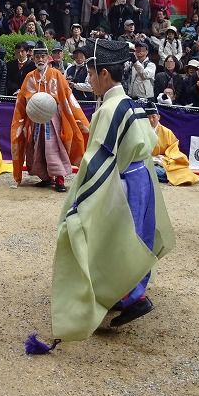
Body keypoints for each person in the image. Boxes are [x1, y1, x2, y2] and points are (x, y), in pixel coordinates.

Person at [50, 38, 175, 342]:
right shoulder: (129, 103)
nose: (89, 79)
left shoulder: (109, 109)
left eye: (91, 73)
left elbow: (98, 161)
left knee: (107, 237)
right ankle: (126, 293)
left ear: (104, 74)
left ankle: (132, 297)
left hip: (123, 183)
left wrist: (78, 201)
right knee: (130, 238)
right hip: (140, 177)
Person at [10, 40, 89, 193]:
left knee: (54, 146)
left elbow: (66, 96)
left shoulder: (57, 75)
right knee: (37, 147)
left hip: (53, 119)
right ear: (33, 58)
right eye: (38, 57)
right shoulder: (29, 77)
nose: (40, 59)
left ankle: (59, 178)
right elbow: (22, 98)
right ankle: (45, 177)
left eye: (43, 56)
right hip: (35, 119)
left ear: (48, 58)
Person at [145, 102, 199, 185]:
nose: (151, 120)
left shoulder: (167, 132)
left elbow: (173, 150)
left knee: (173, 168)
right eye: (148, 117)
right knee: (147, 168)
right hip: (148, 161)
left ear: (158, 117)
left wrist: (163, 159)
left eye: (153, 117)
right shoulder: (142, 131)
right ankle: (163, 175)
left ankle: (163, 175)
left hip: (164, 161)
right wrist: (151, 158)